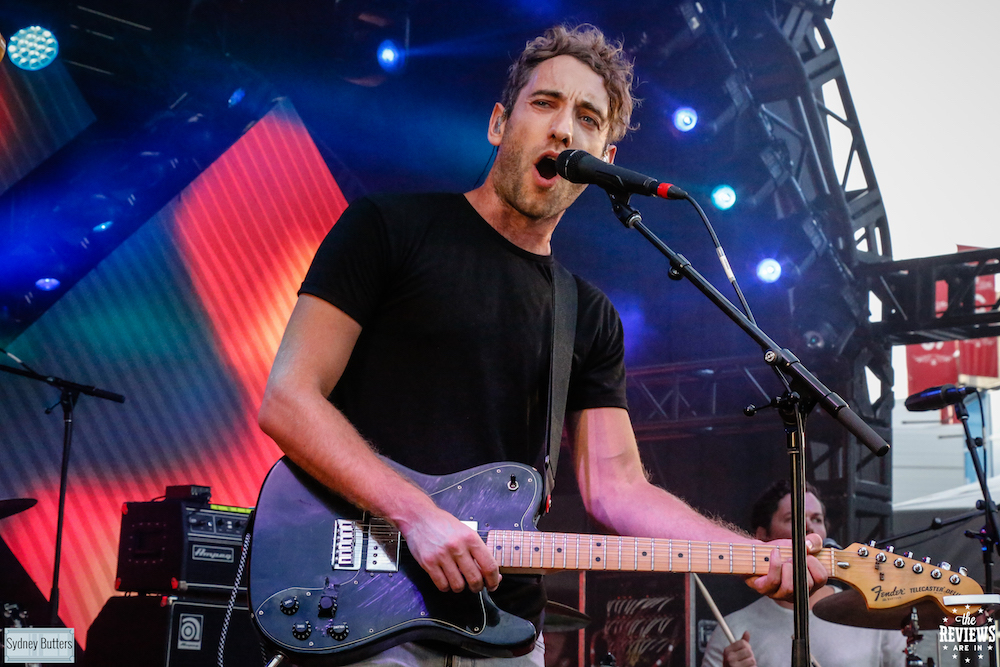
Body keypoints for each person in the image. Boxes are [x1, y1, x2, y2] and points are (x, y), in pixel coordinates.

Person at [258, 23, 827, 667]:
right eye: (545, 103)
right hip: (363, 606)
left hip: (502, 628)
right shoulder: (389, 229)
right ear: (501, 123)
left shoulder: (584, 315)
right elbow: (288, 399)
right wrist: (415, 514)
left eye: (588, 118)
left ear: (604, 158)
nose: (563, 130)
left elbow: (617, 489)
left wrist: (755, 555)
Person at [701, 480, 906, 667]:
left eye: (817, 519)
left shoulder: (874, 616)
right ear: (763, 536)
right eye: (793, 519)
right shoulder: (733, 630)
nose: (808, 527)